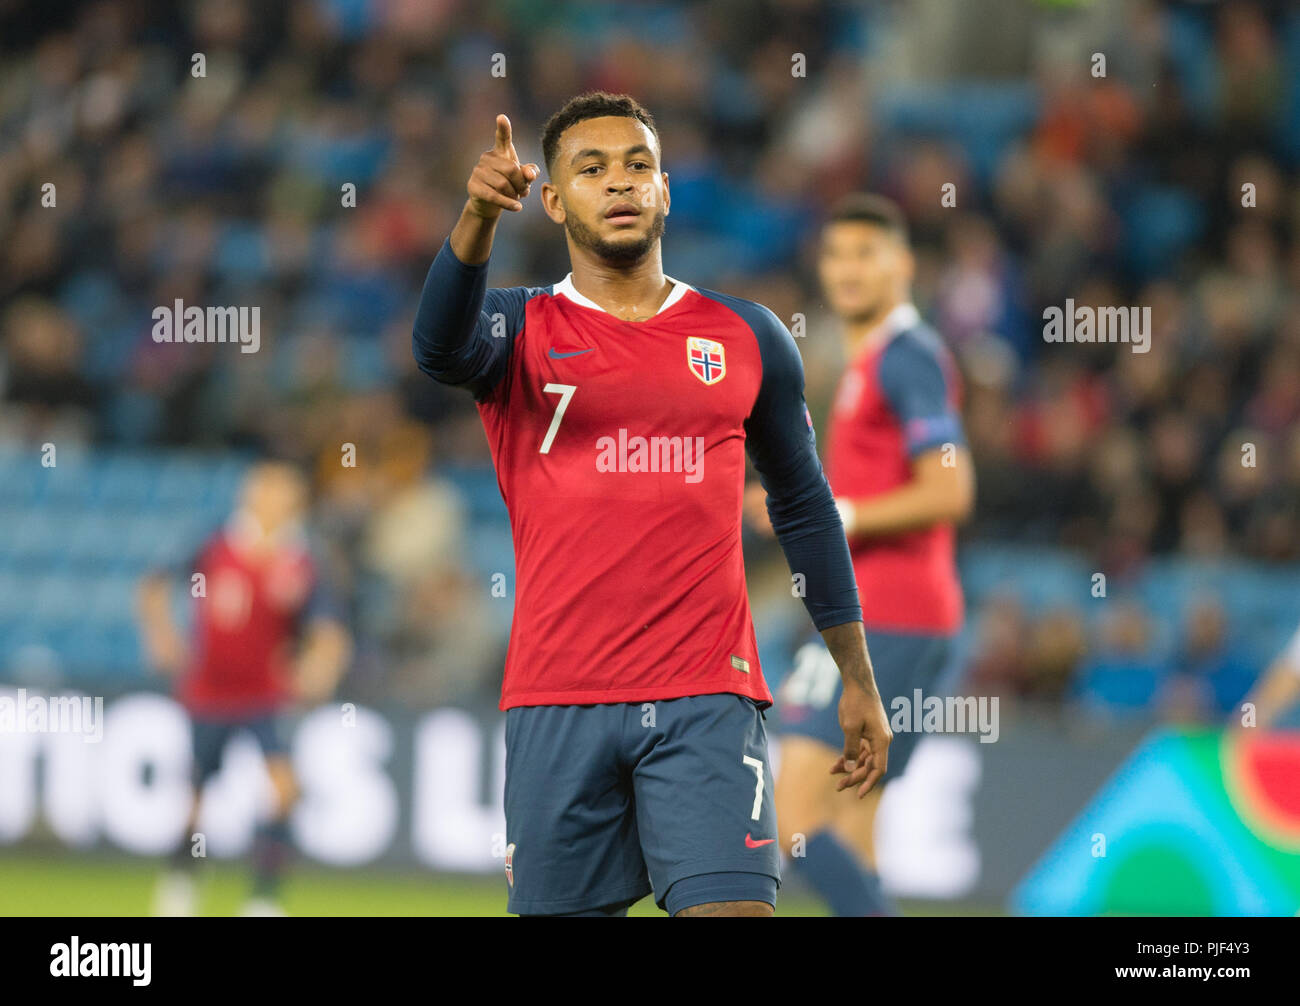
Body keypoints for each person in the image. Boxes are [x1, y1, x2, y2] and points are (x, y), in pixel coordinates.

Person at [411, 92, 892, 917]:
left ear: (665, 189)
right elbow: (437, 348)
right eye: (592, 170)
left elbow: (805, 508)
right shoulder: (519, 326)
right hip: (557, 699)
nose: (621, 183)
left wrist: (857, 674)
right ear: (555, 201)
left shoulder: (747, 337)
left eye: (638, 165)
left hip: (706, 696)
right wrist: (476, 220)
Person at [762, 194, 973, 916]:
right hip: (908, 618)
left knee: (792, 823)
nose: (848, 269)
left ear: (904, 265)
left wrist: (839, 514)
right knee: (853, 824)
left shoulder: (907, 358)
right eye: (836, 254)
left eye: (867, 253)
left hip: (884, 615)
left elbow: (949, 488)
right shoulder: (871, 361)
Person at [137, 460, 351, 916]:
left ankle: (262, 899)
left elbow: (328, 628)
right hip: (210, 688)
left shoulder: (302, 559)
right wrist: (162, 637)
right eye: (267, 489)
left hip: (267, 694)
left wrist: (318, 665)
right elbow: (153, 585)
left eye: (283, 492)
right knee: (195, 797)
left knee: (283, 789)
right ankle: (180, 886)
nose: (274, 499)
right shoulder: (214, 542)